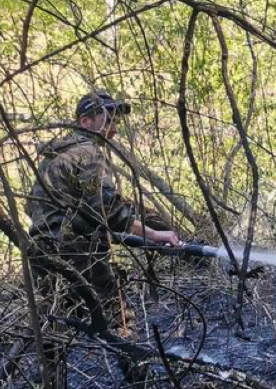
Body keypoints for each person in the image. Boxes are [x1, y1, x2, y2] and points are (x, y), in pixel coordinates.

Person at [27, 90, 180, 330]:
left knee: (53, 325)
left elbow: (34, 207)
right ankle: (134, 366)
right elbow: (108, 209)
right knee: (116, 316)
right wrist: (154, 234)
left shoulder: (53, 157)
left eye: (116, 122)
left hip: (40, 249)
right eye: (107, 121)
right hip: (75, 251)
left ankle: (50, 367)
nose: (114, 129)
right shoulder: (87, 153)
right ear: (85, 122)